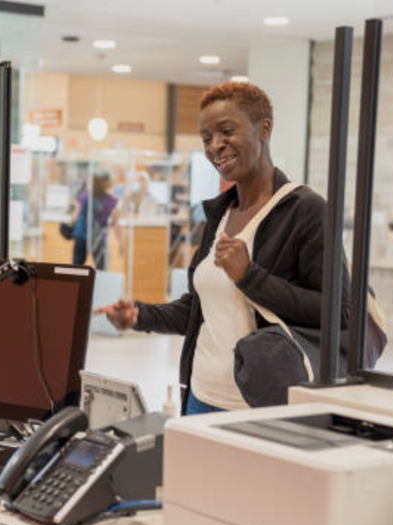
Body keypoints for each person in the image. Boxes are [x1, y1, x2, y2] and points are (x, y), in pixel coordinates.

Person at [95, 81, 350, 415]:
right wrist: (140, 315)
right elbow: (199, 310)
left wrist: (250, 276)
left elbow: (338, 314)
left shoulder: (306, 210)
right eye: (205, 138)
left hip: (259, 406)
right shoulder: (220, 213)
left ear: (265, 129)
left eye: (227, 131)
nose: (215, 146)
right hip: (200, 395)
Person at [70, 170, 124, 270]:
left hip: (82, 237)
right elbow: (116, 224)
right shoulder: (111, 201)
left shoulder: (85, 196)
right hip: (98, 240)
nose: (111, 182)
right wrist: (120, 242)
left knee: (76, 272)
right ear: (103, 183)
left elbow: (75, 217)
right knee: (102, 271)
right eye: (109, 180)